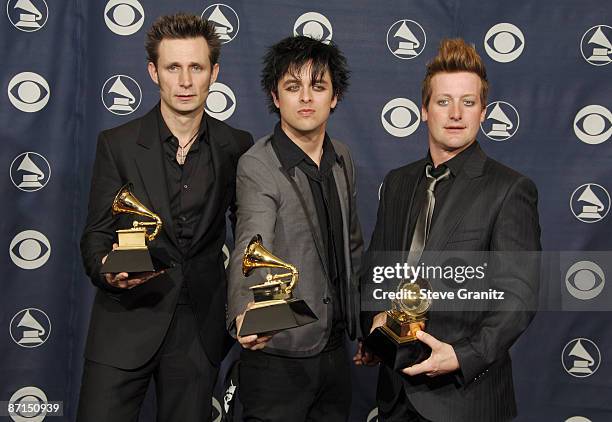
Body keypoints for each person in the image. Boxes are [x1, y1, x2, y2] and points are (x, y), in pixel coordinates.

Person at [78, 13, 253, 422]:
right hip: (125, 321)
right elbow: (97, 234)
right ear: (153, 72)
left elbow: (250, 232)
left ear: (215, 72)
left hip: (198, 328)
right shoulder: (117, 144)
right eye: (174, 67)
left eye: (196, 67)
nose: (186, 81)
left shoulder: (237, 146)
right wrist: (107, 270)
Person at [356, 38, 541, 421]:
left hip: (465, 400)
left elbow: (518, 297)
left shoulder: (509, 189)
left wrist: (461, 356)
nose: (456, 113)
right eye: (443, 102)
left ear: (483, 112)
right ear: (424, 110)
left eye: (468, 102)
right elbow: (376, 269)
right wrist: (373, 322)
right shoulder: (398, 182)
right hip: (395, 397)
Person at [226, 35, 363, 421]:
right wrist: (243, 312)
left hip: (336, 352)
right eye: (293, 86)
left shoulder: (343, 158)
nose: (306, 97)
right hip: (279, 356)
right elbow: (251, 241)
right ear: (275, 96)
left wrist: (365, 324)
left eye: (318, 87)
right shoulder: (257, 165)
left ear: (334, 97)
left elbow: (352, 247)